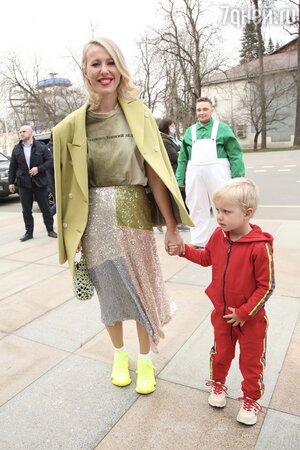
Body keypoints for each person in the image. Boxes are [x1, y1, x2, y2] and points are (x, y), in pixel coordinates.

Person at [52, 37, 193, 395]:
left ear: (120, 68)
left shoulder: (139, 113)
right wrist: (72, 232)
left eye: (110, 62)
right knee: (110, 295)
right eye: (96, 63)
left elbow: (155, 174)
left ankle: (145, 360)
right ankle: (119, 355)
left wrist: (172, 228)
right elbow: (66, 184)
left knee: (143, 290)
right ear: (85, 71)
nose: (104, 71)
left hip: (134, 213)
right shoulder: (70, 126)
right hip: (94, 220)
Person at [168, 178, 275, 425]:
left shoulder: (260, 247)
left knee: (251, 361)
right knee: (220, 354)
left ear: (248, 214)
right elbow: (207, 258)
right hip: (222, 315)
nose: (219, 217)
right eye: (217, 211)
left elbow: (266, 286)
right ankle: (218, 385)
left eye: (226, 211)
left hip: (250, 320)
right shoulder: (219, 236)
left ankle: (250, 399)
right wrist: (184, 249)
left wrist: (244, 313)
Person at [176, 97, 245, 248]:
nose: (202, 113)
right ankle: (198, 241)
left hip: (218, 173)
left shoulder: (222, 128)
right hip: (195, 175)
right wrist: (179, 179)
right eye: (199, 110)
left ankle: (228, 237)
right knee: (196, 206)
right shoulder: (190, 132)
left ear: (212, 110)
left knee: (224, 205)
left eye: (205, 109)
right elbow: (182, 158)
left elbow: (235, 153)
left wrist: (238, 178)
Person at [8, 125, 57, 241]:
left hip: (40, 183)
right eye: (20, 132)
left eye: (24, 131)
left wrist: (38, 169)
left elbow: (50, 161)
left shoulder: (42, 147)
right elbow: (13, 166)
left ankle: (50, 230)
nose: (21, 133)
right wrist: (11, 182)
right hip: (23, 184)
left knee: (45, 208)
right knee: (26, 210)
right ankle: (29, 232)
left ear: (31, 133)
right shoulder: (16, 149)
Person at [158, 118, 189, 233]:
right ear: (166, 126)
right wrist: (181, 154)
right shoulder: (164, 140)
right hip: (173, 172)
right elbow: (174, 156)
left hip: (177, 171)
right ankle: (176, 223)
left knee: (178, 197)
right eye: (172, 125)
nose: (174, 128)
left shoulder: (171, 139)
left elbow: (180, 151)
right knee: (177, 197)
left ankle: (175, 222)